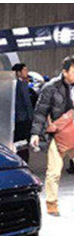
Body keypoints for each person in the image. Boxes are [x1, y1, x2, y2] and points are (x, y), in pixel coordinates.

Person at [30, 55, 74, 216]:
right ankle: (51, 203)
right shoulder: (51, 87)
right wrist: (35, 133)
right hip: (58, 134)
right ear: (65, 71)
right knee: (54, 171)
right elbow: (40, 112)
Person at [13, 63, 35, 163]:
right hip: (23, 119)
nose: (27, 72)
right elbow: (27, 102)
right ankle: (24, 163)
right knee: (23, 145)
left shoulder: (9, 84)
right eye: (25, 70)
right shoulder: (22, 84)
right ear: (18, 73)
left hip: (15, 119)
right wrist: (31, 117)